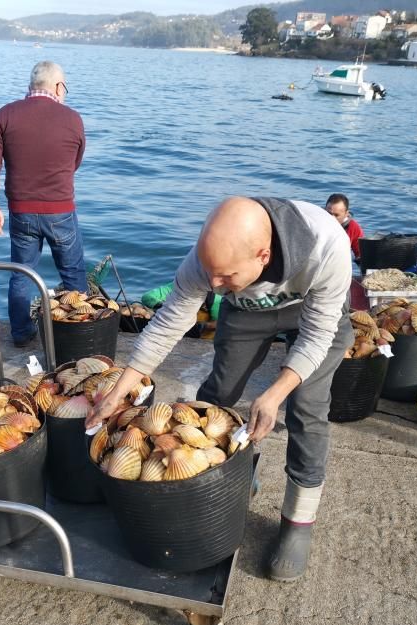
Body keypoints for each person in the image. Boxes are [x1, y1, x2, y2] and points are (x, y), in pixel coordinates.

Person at [86, 196, 353, 582]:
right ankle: (229, 475)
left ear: (263, 255)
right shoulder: (208, 264)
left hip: (313, 312)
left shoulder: (326, 244)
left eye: (224, 275)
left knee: (308, 408)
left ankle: (298, 522)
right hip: (245, 309)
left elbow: (317, 336)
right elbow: (166, 325)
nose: (212, 285)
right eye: (210, 272)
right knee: (218, 395)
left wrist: (275, 392)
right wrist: (118, 391)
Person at [0, 61, 87, 347]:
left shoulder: (5, 115)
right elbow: (75, 161)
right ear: (56, 86)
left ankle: (21, 333)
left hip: (21, 211)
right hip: (61, 210)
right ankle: (81, 332)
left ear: (32, 86)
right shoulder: (73, 119)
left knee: (22, 272)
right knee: (73, 272)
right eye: (64, 87)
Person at [325, 193, 364, 260]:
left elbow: (360, 254)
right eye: (329, 213)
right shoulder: (317, 221)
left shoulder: (353, 227)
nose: (332, 218)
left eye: (336, 215)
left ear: (346, 214)